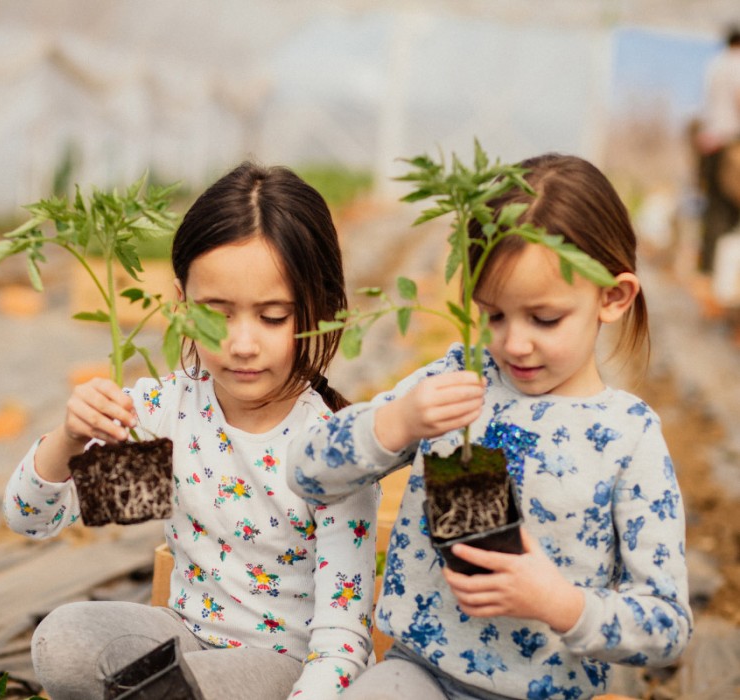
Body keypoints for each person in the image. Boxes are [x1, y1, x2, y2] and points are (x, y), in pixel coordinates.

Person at [287, 154, 693, 699]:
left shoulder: (628, 436)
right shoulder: (460, 376)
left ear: (612, 297)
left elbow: (668, 628)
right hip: (419, 672)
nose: (513, 343)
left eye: (544, 318)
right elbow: (308, 470)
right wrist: (397, 422)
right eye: (494, 315)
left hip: (544, 689)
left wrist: (560, 602)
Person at [4, 162, 380, 699]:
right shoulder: (168, 409)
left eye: (272, 317)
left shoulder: (332, 447)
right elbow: (29, 518)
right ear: (181, 304)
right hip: (183, 639)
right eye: (216, 313)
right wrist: (68, 439)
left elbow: (342, 641)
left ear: (320, 310)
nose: (242, 343)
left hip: (282, 670)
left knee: (176, 690)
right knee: (62, 642)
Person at [695, 24, 740, 274]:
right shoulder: (737, 64)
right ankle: (725, 275)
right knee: (731, 208)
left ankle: (709, 267)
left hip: (710, 143)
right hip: (729, 145)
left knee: (714, 208)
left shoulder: (715, 64)